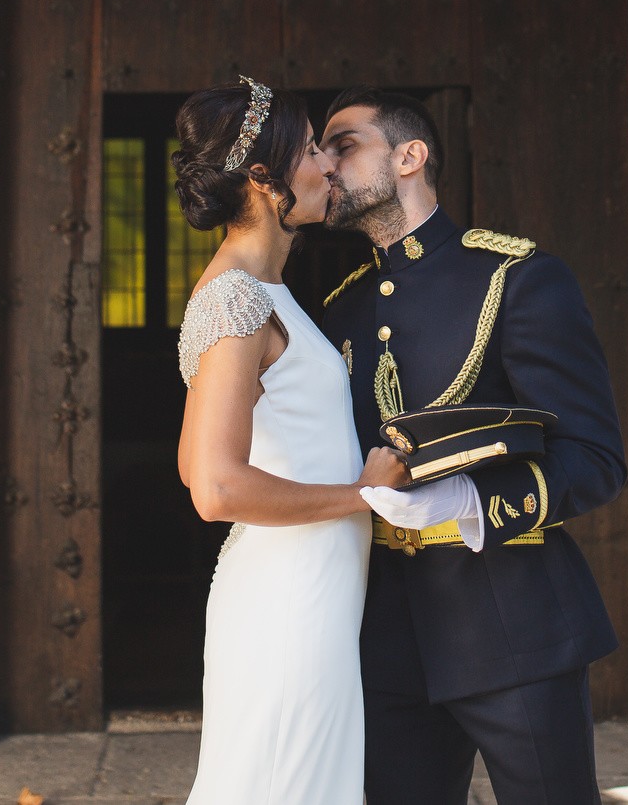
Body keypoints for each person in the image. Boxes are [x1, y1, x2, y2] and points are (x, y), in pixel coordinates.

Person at [320, 86, 628, 805]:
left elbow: (596, 458)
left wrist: (468, 500)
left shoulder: (516, 278)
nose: (327, 164)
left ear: (409, 156)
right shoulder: (342, 308)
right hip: (387, 635)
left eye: (345, 145)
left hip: (513, 621)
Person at [171, 76, 410, 805]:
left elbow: (190, 460)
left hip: (313, 589)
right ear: (261, 176)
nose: (328, 165)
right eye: (310, 149)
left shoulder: (266, 291)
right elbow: (213, 486)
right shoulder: (236, 298)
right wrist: (362, 494)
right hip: (288, 599)